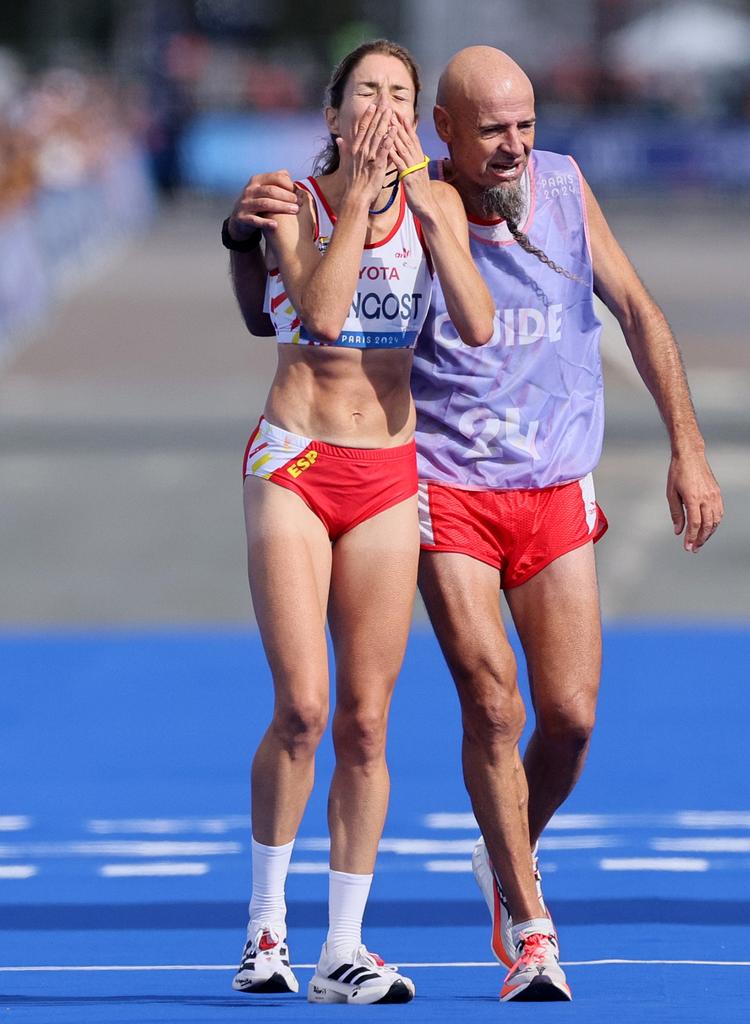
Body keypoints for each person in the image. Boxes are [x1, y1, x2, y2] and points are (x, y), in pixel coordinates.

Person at [228, 46, 723, 1004]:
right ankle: (500, 930)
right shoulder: (330, 198)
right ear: (426, 129)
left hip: (489, 480)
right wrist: (285, 220)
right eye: (491, 129)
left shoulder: (526, 193)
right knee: (405, 704)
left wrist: (686, 447)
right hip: (394, 476)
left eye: (526, 125)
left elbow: (550, 315)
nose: (515, 146)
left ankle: (453, 884)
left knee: (540, 720)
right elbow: (303, 313)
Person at [222, 39, 493, 1006]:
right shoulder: (290, 200)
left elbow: (476, 324)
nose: (384, 106)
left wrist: (427, 213)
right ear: (333, 115)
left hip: (386, 469)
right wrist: (360, 194)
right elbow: (325, 315)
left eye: (401, 96)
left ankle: (344, 945)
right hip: (295, 458)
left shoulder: (436, 201)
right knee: (303, 707)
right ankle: (264, 930)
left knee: (368, 726)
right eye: (366, 93)